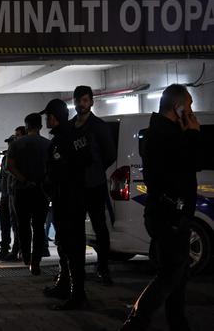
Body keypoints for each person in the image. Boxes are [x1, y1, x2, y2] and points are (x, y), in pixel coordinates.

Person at [121, 84, 202, 331]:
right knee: (170, 274)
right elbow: (191, 163)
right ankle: (135, 323)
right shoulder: (167, 135)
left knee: (178, 274)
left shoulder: (161, 131)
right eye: (188, 104)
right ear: (176, 107)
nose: (190, 110)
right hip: (170, 214)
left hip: (169, 212)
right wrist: (193, 133)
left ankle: (178, 323)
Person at [40, 98, 91, 310]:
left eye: (48, 116)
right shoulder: (67, 136)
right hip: (67, 199)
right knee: (64, 245)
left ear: (56, 117)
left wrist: (54, 187)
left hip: (70, 200)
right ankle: (65, 285)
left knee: (73, 248)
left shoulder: (65, 138)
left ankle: (77, 294)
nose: (46, 119)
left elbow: (64, 171)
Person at [70, 85, 117, 284]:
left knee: (100, 227)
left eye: (85, 100)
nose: (82, 104)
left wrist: (95, 169)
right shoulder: (69, 127)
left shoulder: (99, 126)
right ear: (74, 102)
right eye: (79, 100)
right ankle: (76, 269)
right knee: (75, 229)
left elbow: (110, 155)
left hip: (95, 184)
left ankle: (103, 268)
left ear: (91, 102)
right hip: (76, 185)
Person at [7, 113, 51, 275]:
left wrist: (24, 180)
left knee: (23, 225)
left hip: (21, 190)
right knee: (39, 227)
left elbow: (9, 167)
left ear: (26, 127)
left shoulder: (17, 144)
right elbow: (53, 168)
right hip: (41, 191)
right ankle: (36, 260)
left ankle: (26, 256)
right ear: (40, 126)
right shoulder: (48, 144)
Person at [0, 132, 21, 261]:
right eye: (9, 143)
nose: (9, 145)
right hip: (5, 195)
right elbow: (1, 177)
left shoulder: (20, 158)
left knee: (16, 224)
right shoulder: (5, 158)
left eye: (11, 143)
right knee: (4, 224)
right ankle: (4, 249)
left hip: (14, 194)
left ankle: (16, 250)